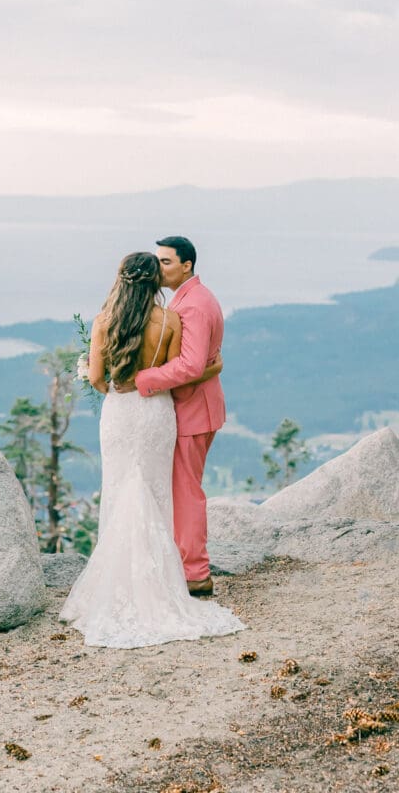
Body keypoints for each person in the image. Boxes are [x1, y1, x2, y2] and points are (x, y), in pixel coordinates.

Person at [59, 251, 244, 648]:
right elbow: (180, 374)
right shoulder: (170, 321)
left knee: (121, 490)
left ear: (121, 280)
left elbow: (95, 378)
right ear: (151, 283)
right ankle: (164, 583)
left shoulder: (104, 322)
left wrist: (116, 390)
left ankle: (118, 582)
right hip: (158, 414)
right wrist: (212, 369)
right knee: (157, 496)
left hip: (121, 416)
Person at [135, 237, 224, 596]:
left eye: (166, 262)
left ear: (186, 265)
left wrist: (143, 379)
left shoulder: (195, 306)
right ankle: (186, 565)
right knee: (182, 489)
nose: (159, 268)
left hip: (193, 409)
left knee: (186, 492)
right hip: (192, 406)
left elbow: (190, 365)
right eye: (158, 261)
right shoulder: (188, 298)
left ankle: (196, 573)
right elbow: (202, 360)